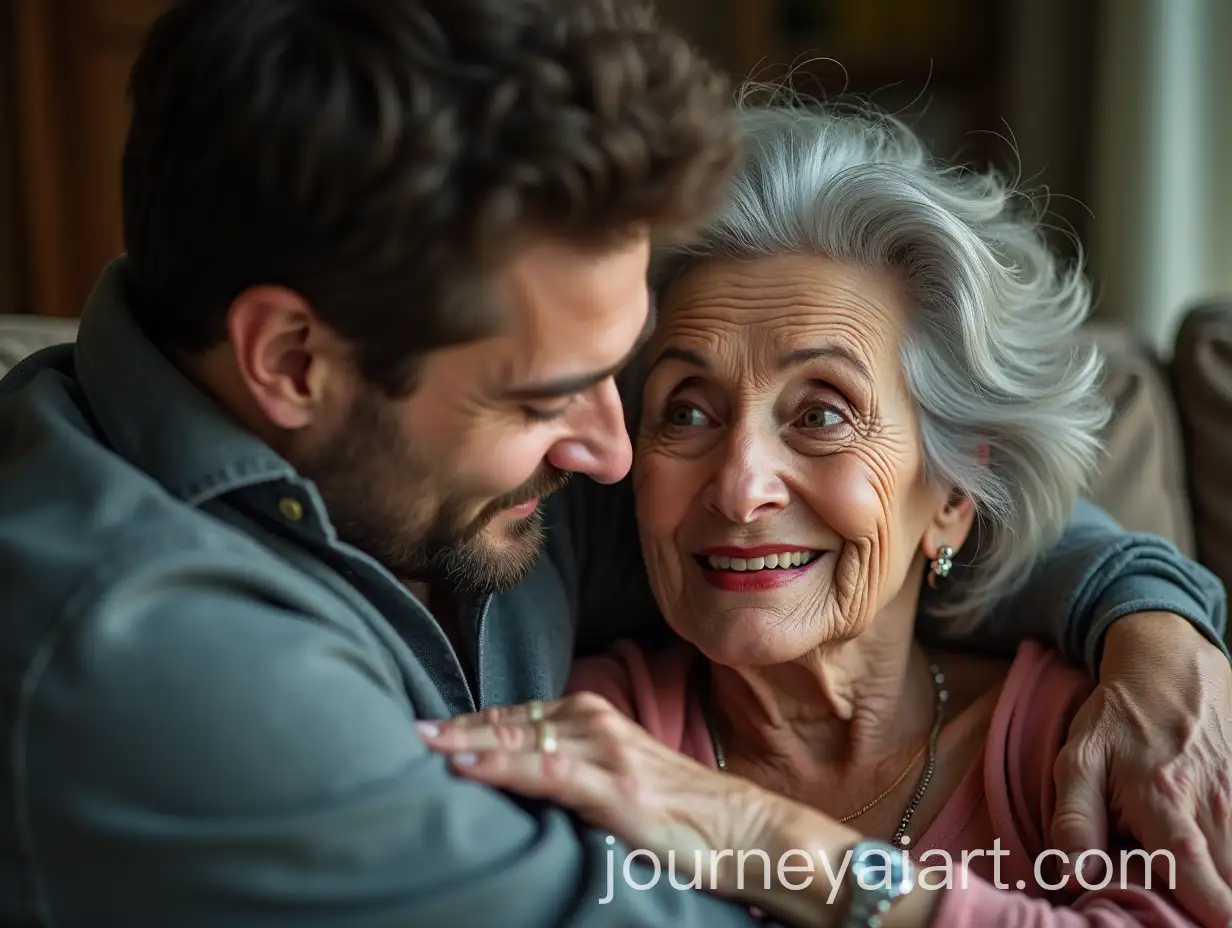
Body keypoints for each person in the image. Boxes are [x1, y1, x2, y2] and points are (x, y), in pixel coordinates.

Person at [0, 2, 1227, 925]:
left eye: (625, 377)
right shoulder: (146, 661)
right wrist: (784, 847)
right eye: (549, 394)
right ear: (292, 360)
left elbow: (876, 521)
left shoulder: (468, 479)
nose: (614, 449)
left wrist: (1148, 616)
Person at [421, 97, 1232, 927]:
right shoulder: (585, 739)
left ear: (953, 497)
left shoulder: (1097, 742)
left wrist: (764, 839)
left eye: (822, 414)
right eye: (688, 411)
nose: (740, 489)